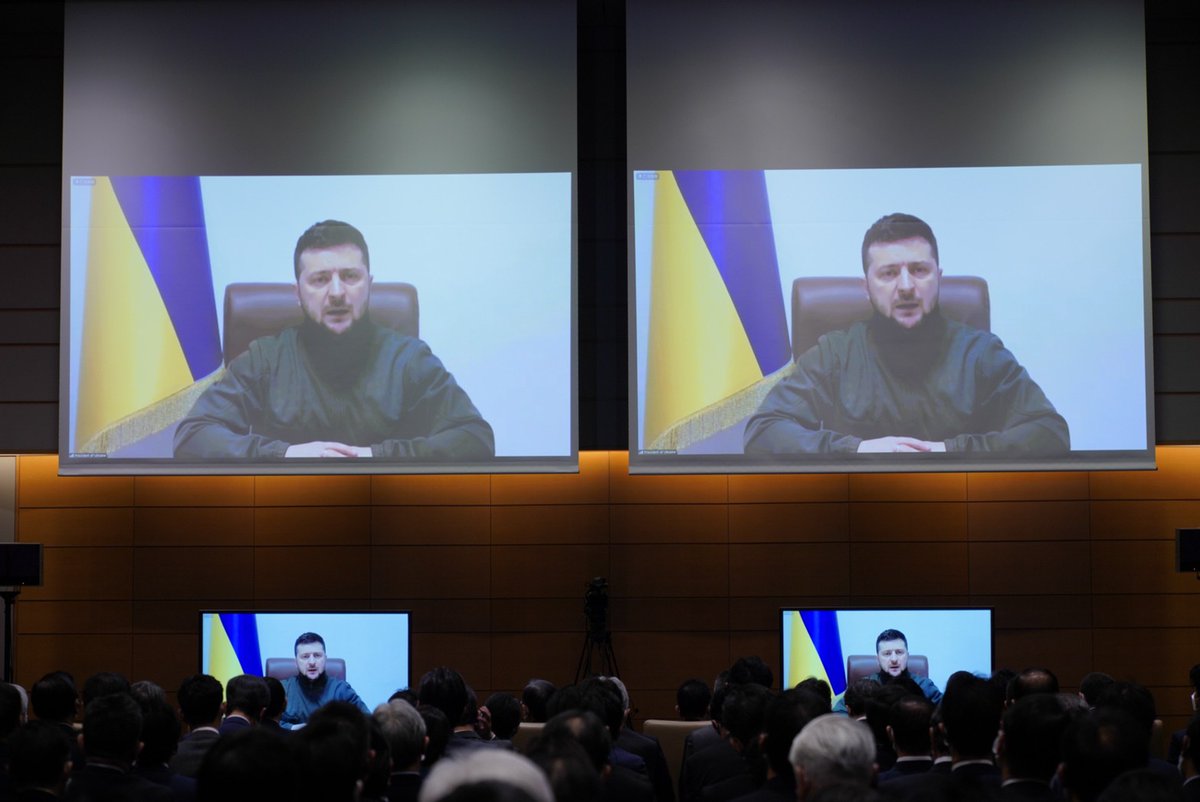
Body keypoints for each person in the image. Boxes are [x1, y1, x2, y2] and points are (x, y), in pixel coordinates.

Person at [744, 212, 1069, 455]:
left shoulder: (979, 353)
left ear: (938, 278)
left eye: (919, 270)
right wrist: (858, 450)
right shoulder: (836, 355)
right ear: (866, 287)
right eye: (888, 273)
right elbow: (763, 432)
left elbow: (1050, 433)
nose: (906, 286)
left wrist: (948, 451)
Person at [174, 219, 494, 461]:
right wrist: (287, 455)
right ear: (298, 293)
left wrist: (375, 457)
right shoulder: (265, 360)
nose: (338, 292)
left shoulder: (408, 359)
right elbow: (192, 436)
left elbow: (475, 438)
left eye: (350, 276)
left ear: (369, 285)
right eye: (320, 279)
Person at [281, 632, 369, 728]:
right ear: (296, 662)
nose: (312, 662)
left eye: (317, 655)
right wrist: (293, 728)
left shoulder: (341, 690)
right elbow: (269, 724)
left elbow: (367, 721)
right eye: (305, 657)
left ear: (325, 659)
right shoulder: (283, 689)